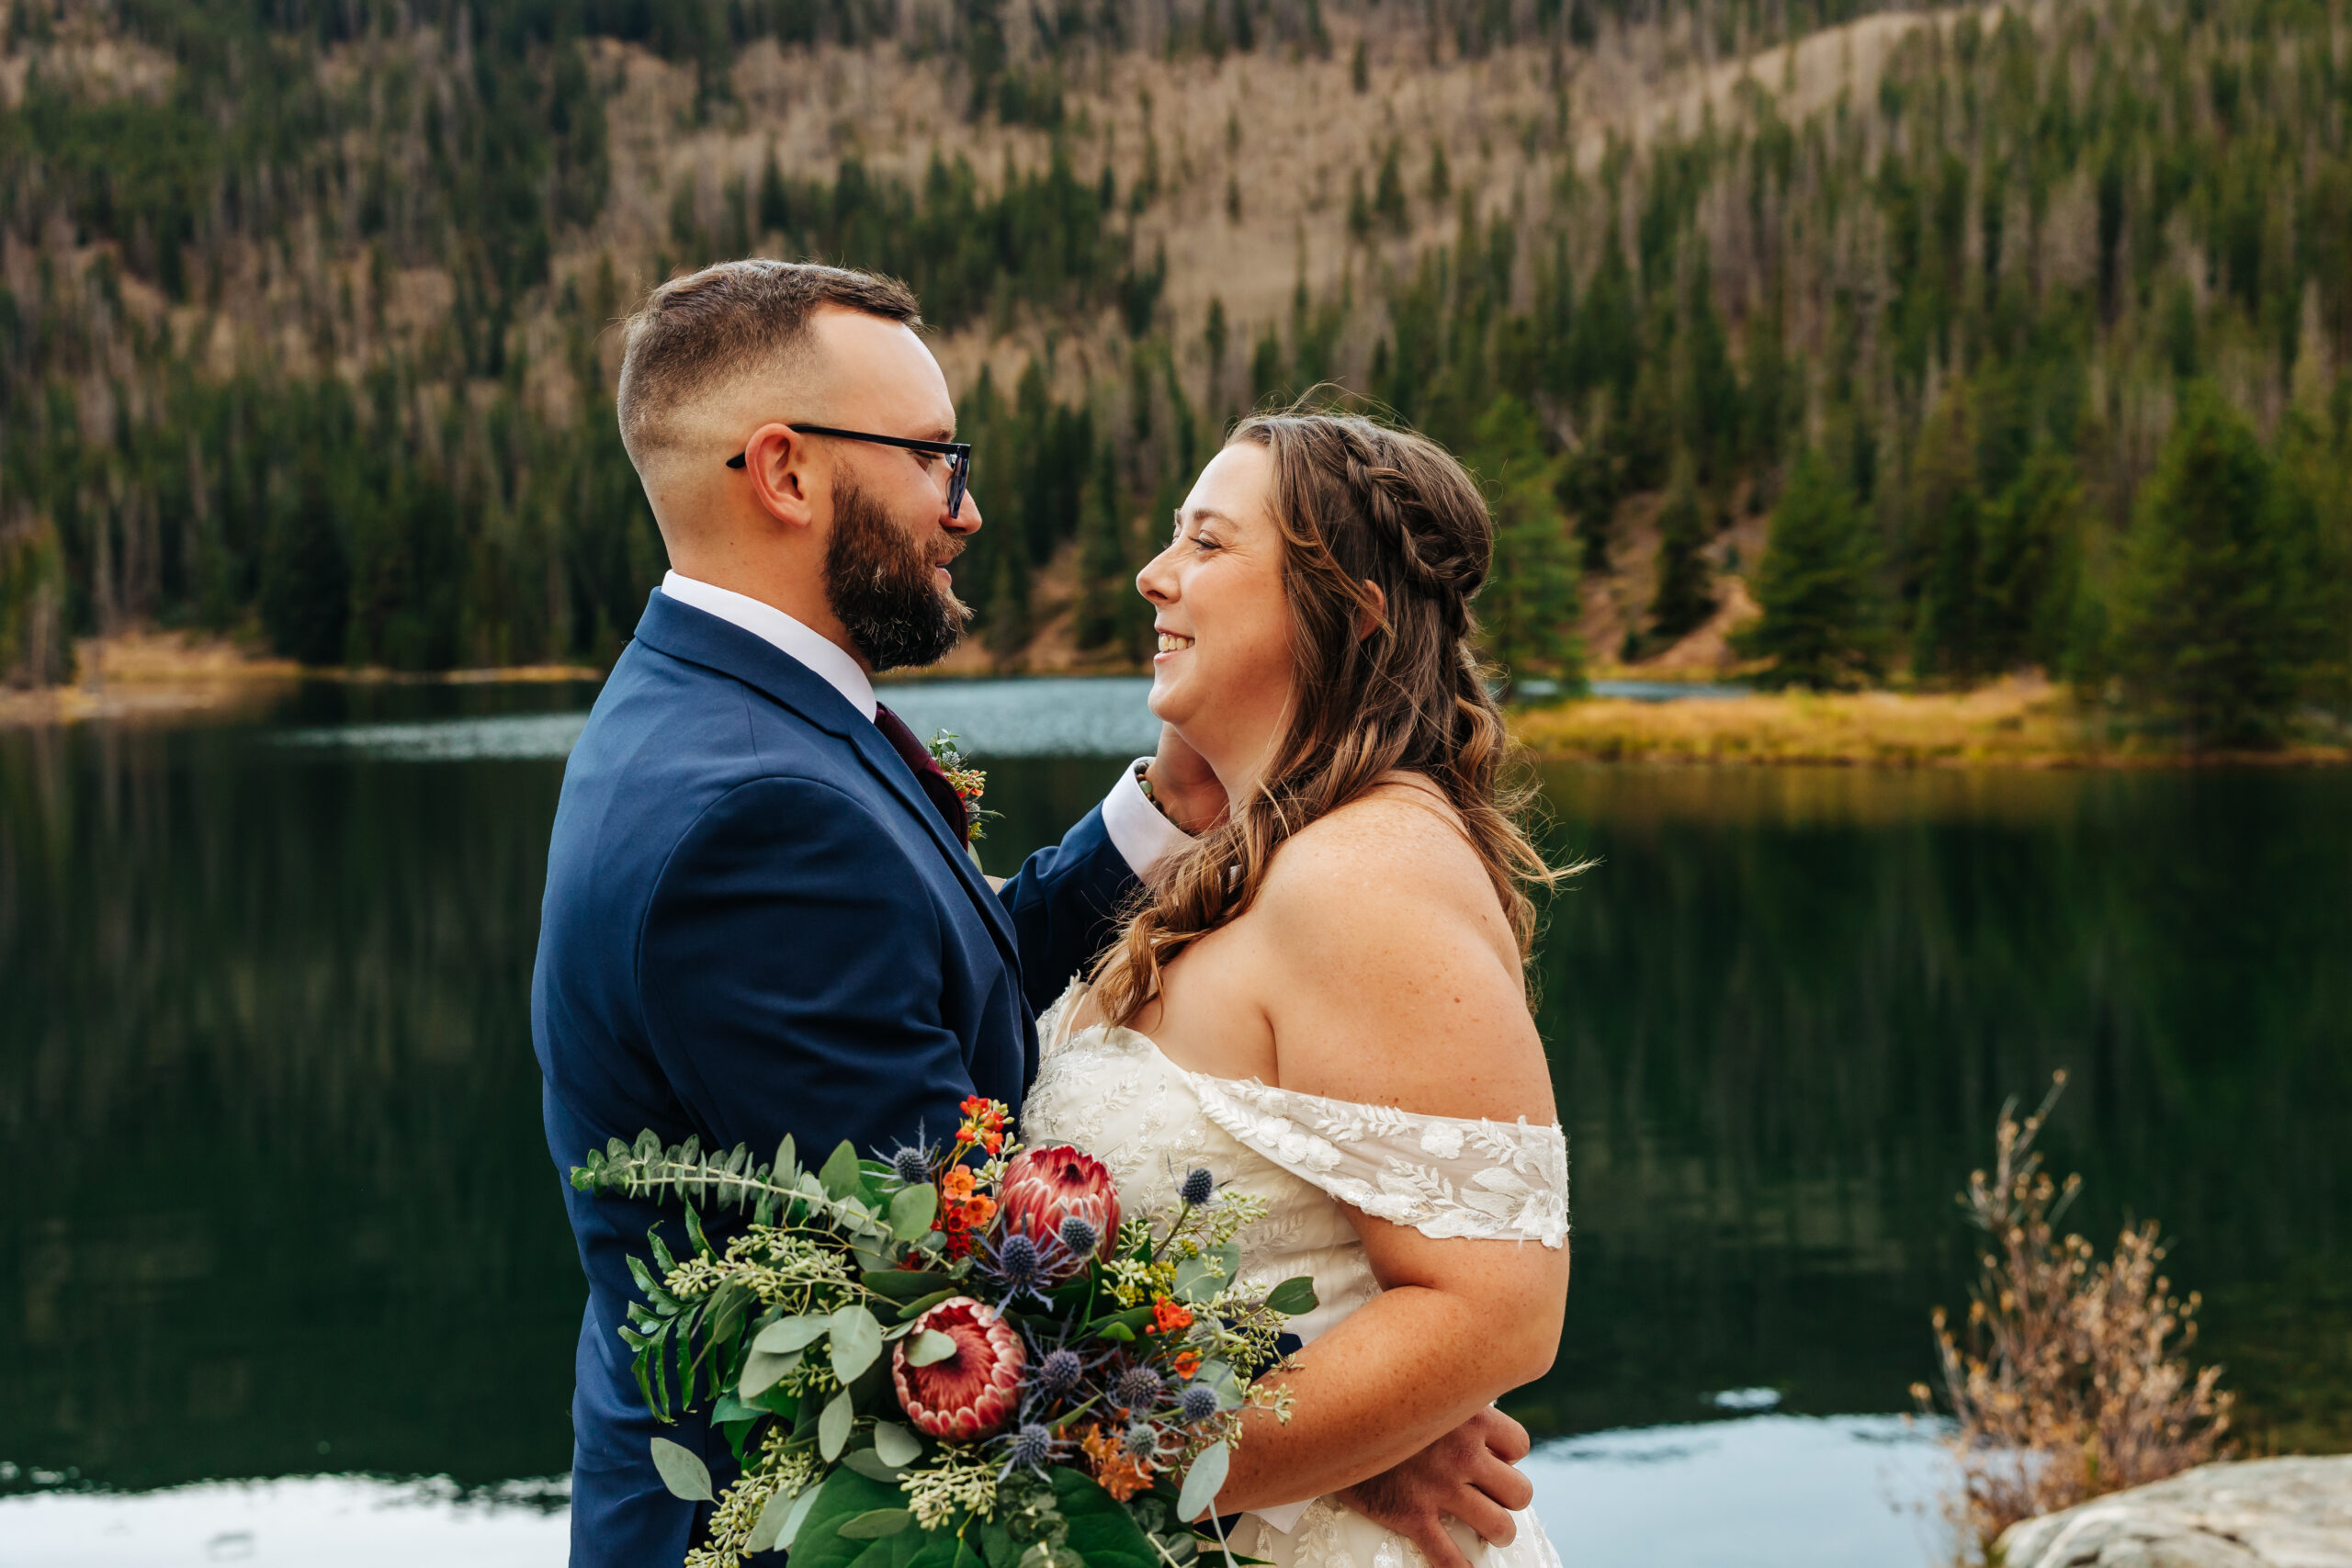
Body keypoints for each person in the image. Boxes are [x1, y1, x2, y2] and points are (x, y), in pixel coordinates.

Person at [530, 261, 1536, 1567]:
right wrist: (1314, 1439)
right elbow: (951, 1300)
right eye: (937, 460)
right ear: (785, 473)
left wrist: (1164, 810)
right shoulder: (755, 809)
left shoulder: (718, 719)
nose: (969, 510)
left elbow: (930, 979)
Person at [1024, 411, 1575, 1568]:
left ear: (1348, 613)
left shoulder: (1364, 874)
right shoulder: (1256, 854)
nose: (1153, 574)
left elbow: (1495, 1307)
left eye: (1208, 544)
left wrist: (1104, 1461)